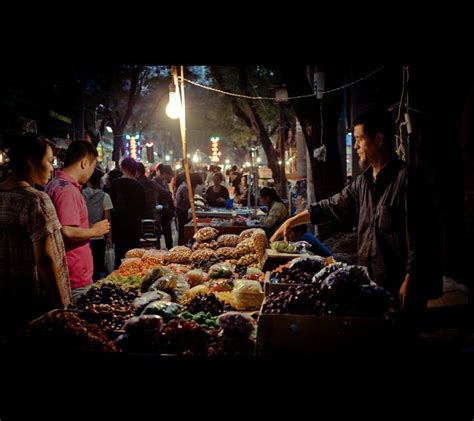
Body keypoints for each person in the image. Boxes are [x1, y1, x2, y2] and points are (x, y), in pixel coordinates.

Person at [271, 108, 443, 333]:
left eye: (360, 139)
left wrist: (410, 279)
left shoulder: (408, 179)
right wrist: (291, 221)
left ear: (378, 139)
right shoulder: (363, 183)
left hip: (401, 286)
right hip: (372, 284)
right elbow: (331, 206)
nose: (355, 146)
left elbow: (421, 237)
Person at [0, 133, 71, 336]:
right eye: (49, 161)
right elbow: (45, 260)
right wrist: (62, 307)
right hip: (34, 302)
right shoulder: (36, 200)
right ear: (31, 160)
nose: (52, 168)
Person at [46, 141, 110, 303]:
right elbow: (67, 231)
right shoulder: (67, 190)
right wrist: (95, 231)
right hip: (73, 275)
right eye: (92, 167)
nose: (91, 173)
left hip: (69, 271)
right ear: (84, 162)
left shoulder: (56, 184)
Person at [110, 157, 146, 268]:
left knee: (119, 256)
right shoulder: (139, 187)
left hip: (118, 226)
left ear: (123, 168)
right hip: (134, 227)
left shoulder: (115, 184)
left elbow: (110, 207)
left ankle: (118, 280)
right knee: (133, 256)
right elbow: (143, 208)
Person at [83, 168, 113, 281]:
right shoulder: (105, 196)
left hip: (84, 236)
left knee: (86, 267)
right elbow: (107, 219)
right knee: (98, 268)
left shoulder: (80, 194)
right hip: (99, 237)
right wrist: (109, 238)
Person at [175, 173, 203, 245]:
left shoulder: (185, 185)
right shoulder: (185, 187)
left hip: (183, 210)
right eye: (196, 184)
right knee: (183, 230)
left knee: (183, 230)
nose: (196, 186)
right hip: (182, 211)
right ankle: (182, 246)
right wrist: (199, 203)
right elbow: (189, 200)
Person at [153, 164, 175, 250]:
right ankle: (157, 253)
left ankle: (170, 250)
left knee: (168, 233)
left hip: (165, 211)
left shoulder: (164, 181)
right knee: (158, 233)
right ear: (165, 173)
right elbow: (164, 194)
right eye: (170, 175)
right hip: (158, 211)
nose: (171, 177)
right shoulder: (155, 181)